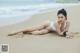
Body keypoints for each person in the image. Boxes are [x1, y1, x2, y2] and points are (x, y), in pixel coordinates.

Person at [8, 9, 72, 38]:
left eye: (62, 17)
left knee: (39, 33)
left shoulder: (68, 23)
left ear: (65, 17)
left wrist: (67, 34)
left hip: (50, 29)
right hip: (48, 24)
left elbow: (65, 31)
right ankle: (15, 32)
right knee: (32, 29)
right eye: (58, 17)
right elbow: (60, 34)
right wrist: (66, 33)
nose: (60, 19)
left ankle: (26, 32)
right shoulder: (56, 23)